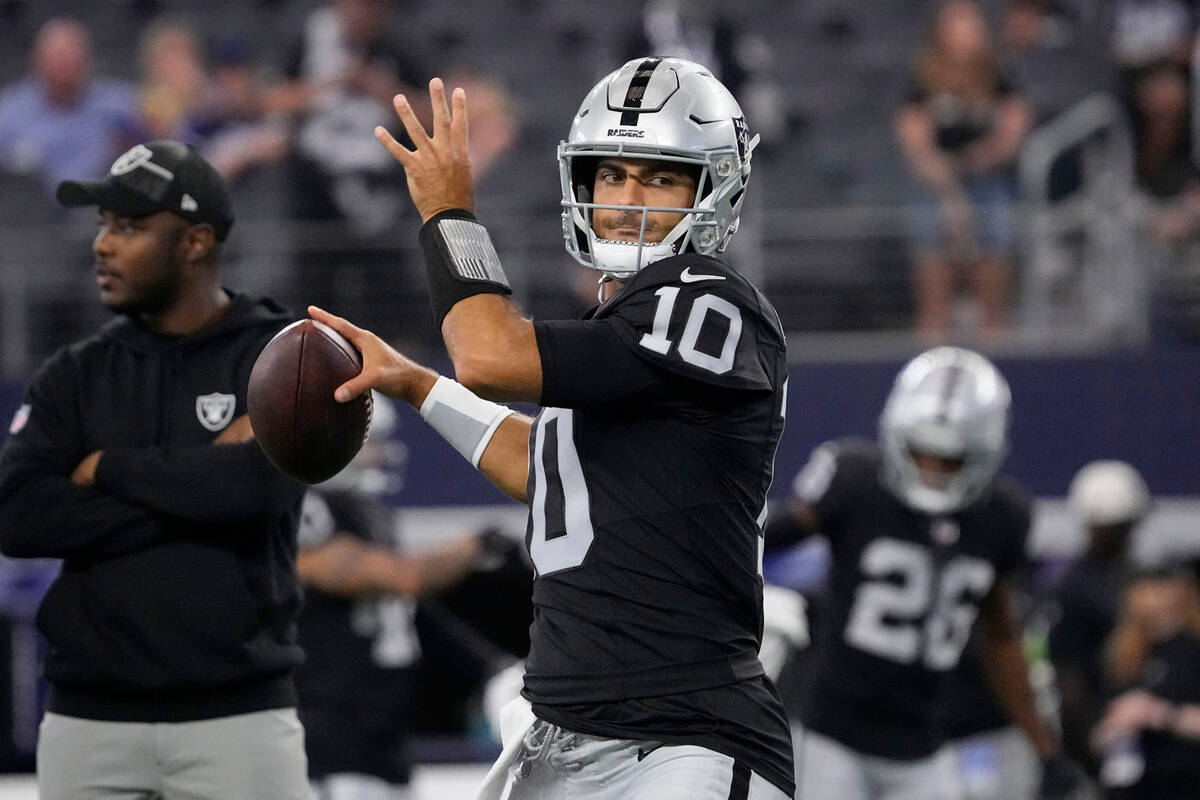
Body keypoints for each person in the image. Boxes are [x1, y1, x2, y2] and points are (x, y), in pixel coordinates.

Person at [310, 56, 795, 799]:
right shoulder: (625, 334)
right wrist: (418, 386)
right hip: (565, 735)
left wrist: (448, 212)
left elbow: (488, 352)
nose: (627, 200)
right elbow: (549, 471)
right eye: (610, 175)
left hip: (683, 737)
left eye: (659, 177)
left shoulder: (710, 300)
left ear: (714, 188)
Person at [0, 140, 310, 799]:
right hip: (88, 723)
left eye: (130, 228)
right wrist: (201, 482)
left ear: (196, 242)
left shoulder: (280, 357)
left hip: (240, 719)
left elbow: (257, 488)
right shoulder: (74, 375)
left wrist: (105, 467)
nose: (103, 246)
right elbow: (20, 517)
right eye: (103, 226)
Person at [764, 346, 1082, 799]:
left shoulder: (1004, 517)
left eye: (950, 460)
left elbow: (1001, 639)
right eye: (922, 452)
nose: (932, 470)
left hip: (923, 743)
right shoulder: (853, 480)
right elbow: (758, 541)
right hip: (827, 730)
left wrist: (1046, 749)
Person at [295, 394, 521, 798]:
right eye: (371, 439)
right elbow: (405, 579)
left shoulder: (371, 514)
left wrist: (489, 666)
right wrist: (478, 544)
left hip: (385, 739)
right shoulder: (306, 510)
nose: (379, 451)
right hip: (330, 740)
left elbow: (414, 611)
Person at [894, 0, 1033, 340]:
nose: (967, 28)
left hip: (989, 181)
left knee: (992, 298)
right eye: (958, 20)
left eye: (972, 20)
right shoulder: (921, 77)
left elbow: (1013, 133)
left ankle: (995, 358)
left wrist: (974, 161)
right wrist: (949, 189)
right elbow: (913, 140)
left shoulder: (1001, 74)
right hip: (935, 186)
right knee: (935, 302)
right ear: (941, 31)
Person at [1047, 459, 1151, 777]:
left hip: (1148, 716)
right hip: (1101, 722)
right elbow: (1067, 672)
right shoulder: (1074, 586)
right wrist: (1093, 730)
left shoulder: (1142, 575)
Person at [1090, 560, 1200, 799]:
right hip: (1135, 785)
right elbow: (1097, 734)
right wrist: (1113, 730)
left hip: (1186, 781)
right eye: (1143, 585)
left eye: (1162, 583)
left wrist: (1159, 714)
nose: (1152, 594)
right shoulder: (1121, 655)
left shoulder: (1193, 648)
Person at [0, 17, 137, 202]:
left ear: (87, 59)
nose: (66, 62)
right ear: (37, 59)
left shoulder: (115, 104)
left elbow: (161, 123)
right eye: (58, 55)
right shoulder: (9, 113)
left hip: (97, 210)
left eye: (73, 54)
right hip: (29, 216)